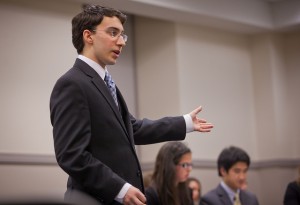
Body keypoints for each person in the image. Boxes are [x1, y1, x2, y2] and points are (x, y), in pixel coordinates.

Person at [49, 4, 214, 205]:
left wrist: (184, 123)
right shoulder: (72, 83)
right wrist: (120, 188)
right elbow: (71, 155)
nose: (121, 42)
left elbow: (131, 128)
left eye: (123, 35)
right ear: (88, 36)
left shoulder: (104, 81)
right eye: (113, 33)